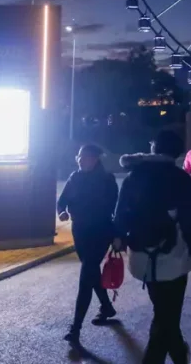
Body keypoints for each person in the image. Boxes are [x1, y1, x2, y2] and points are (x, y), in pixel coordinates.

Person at [114, 130, 191, 364]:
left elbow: (119, 219)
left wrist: (120, 237)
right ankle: (173, 357)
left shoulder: (133, 177)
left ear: (155, 148)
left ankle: (180, 356)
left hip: (141, 260)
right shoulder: (180, 179)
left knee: (164, 316)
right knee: (166, 318)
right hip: (174, 262)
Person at [57, 144, 120, 345]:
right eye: (79, 157)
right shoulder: (74, 178)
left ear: (95, 159)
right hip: (80, 232)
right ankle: (107, 306)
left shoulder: (107, 180)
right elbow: (62, 201)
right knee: (91, 272)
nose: (80, 160)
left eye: (85, 157)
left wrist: (118, 235)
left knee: (86, 275)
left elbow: (116, 211)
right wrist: (62, 212)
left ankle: (75, 328)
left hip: (101, 232)